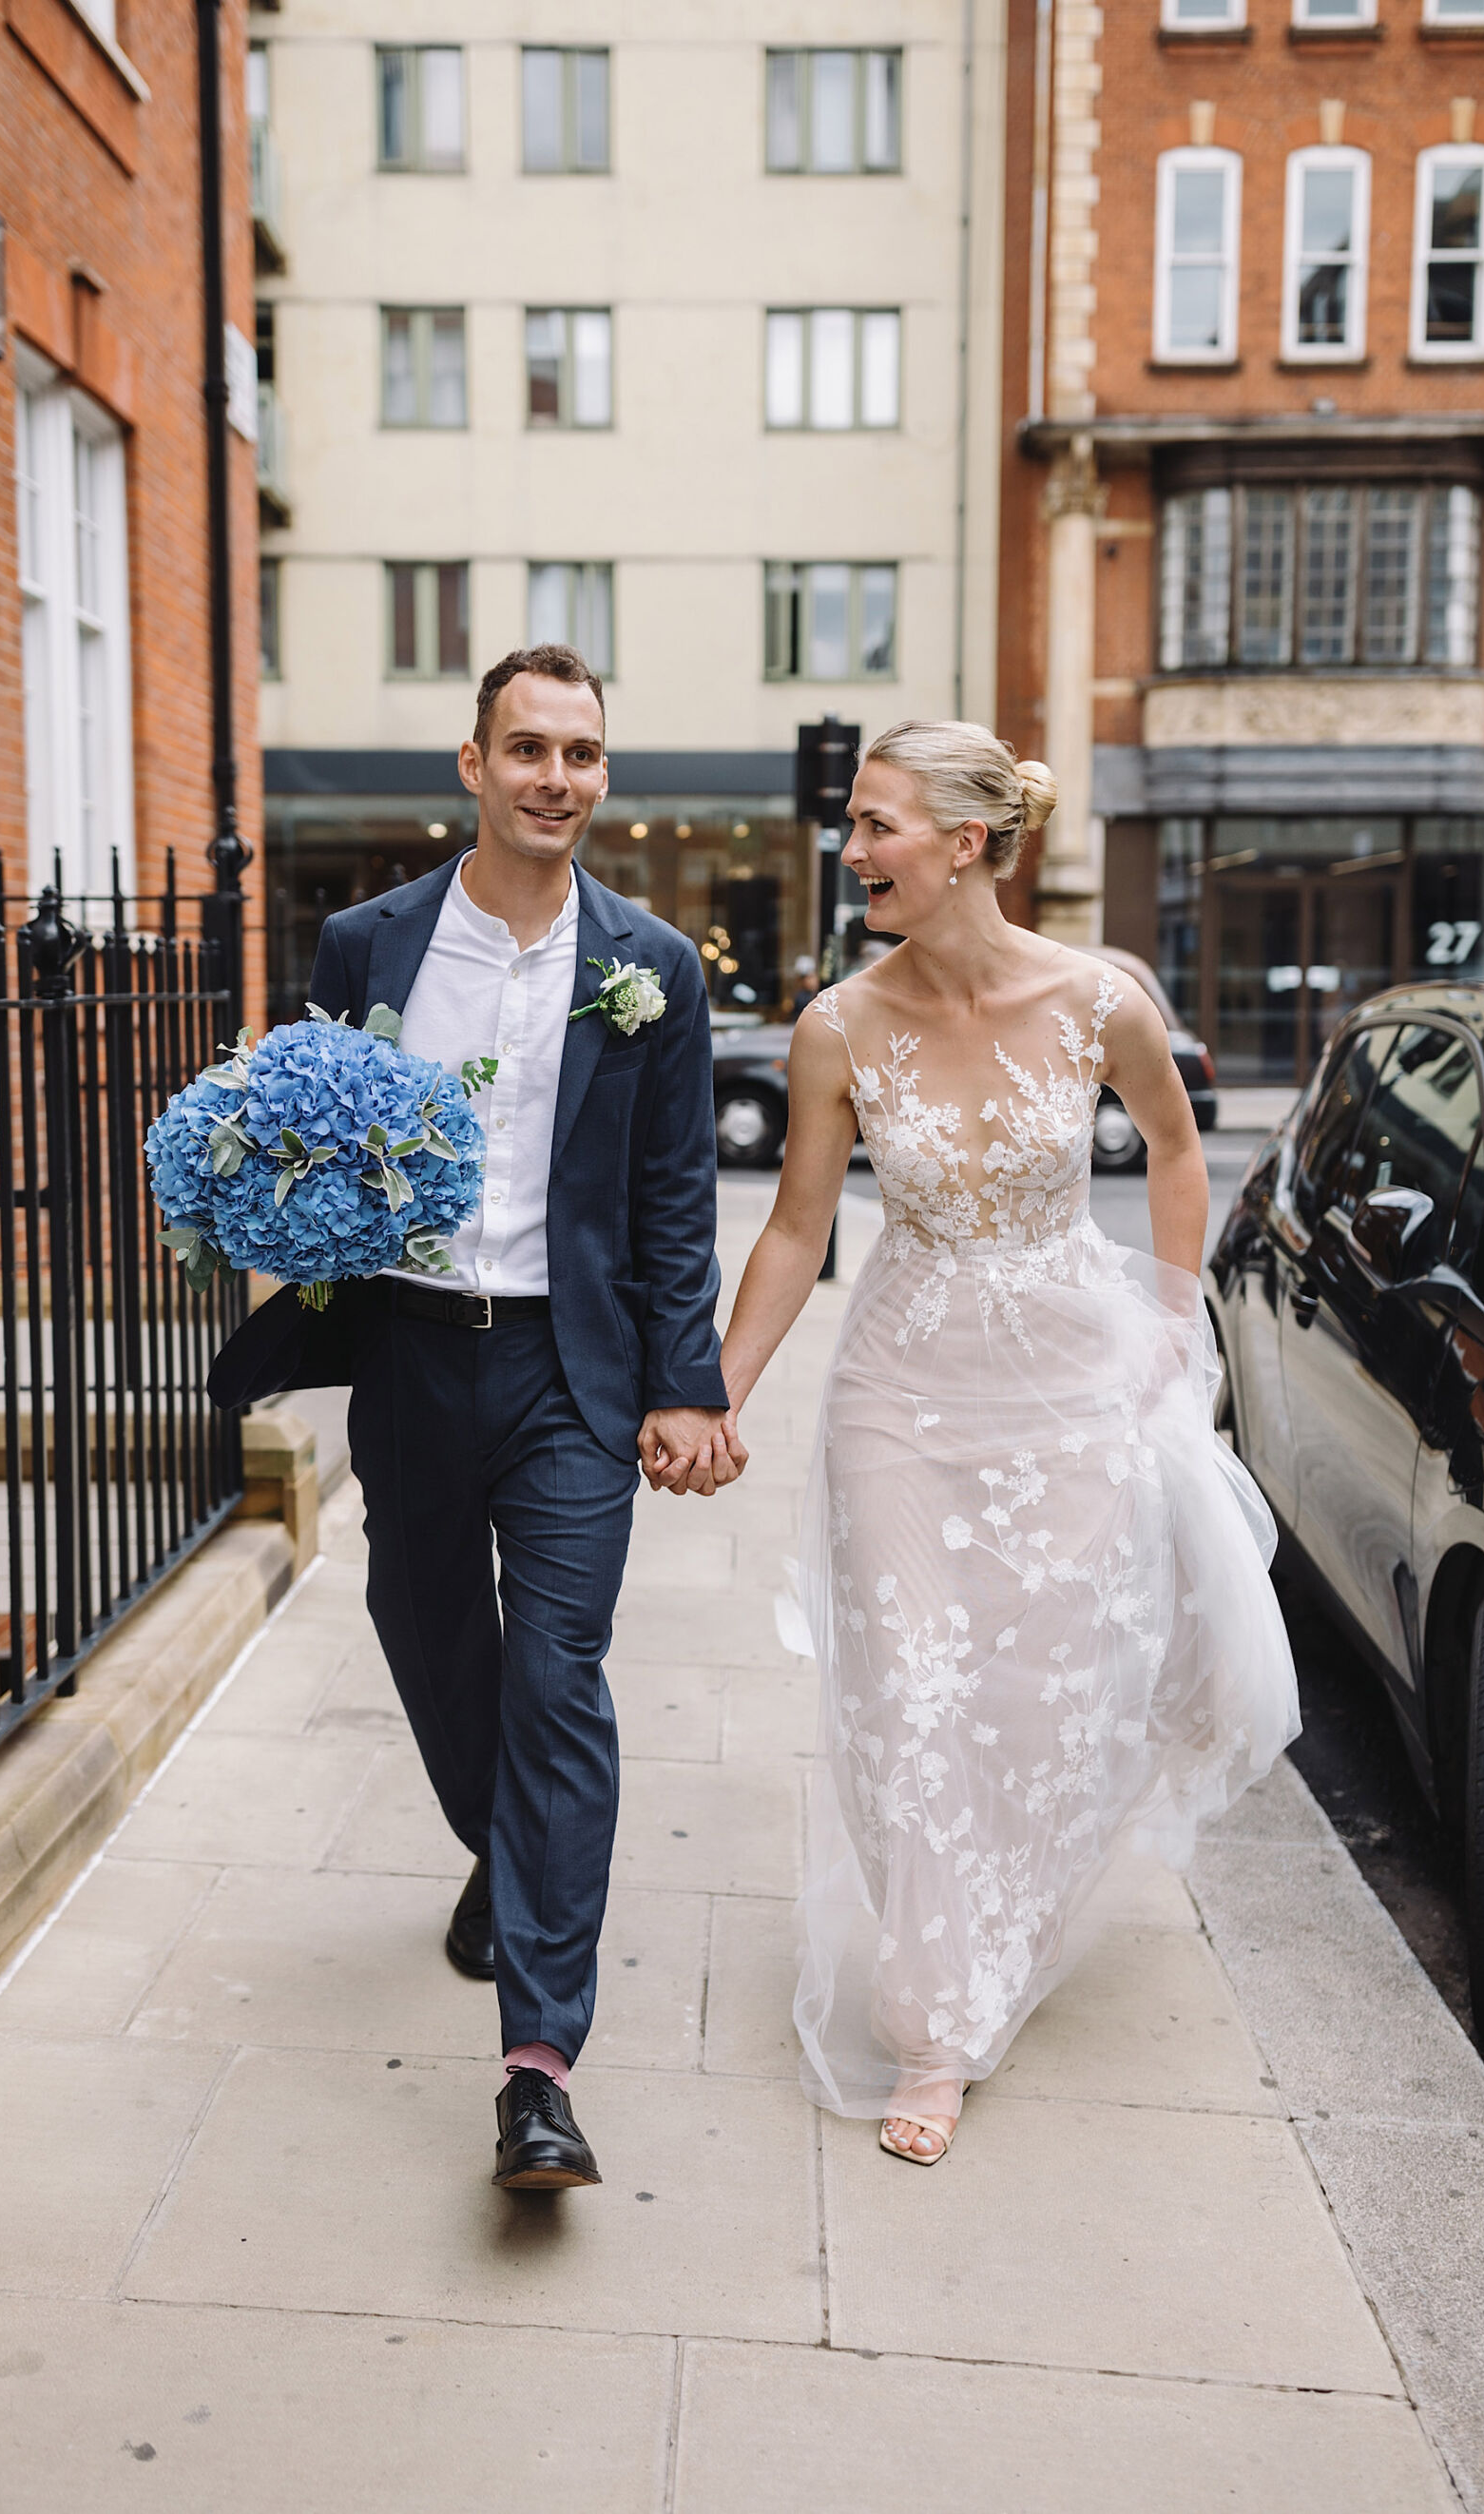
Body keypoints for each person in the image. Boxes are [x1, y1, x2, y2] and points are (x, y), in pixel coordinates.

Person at [700, 721, 1299, 2165]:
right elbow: (795, 1226)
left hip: (1069, 1393)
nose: (855, 855)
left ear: (965, 843)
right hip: (898, 1396)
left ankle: (1001, 1922)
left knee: (1045, 1699)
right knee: (910, 1692)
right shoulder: (837, 1026)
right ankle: (936, 2024)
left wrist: (1168, 1324)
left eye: (877, 826)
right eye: (854, 826)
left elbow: (1168, 1146)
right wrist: (721, 1389)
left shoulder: (1101, 1001)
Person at [306, 645, 739, 2191]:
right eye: (531, 749)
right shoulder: (368, 944)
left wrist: (688, 1382)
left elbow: (675, 1198)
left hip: (572, 1373)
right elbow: (316, 1144)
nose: (560, 777)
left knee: (560, 1681)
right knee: (430, 1639)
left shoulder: (654, 968)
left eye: (585, 753)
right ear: (472, 767)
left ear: (602, 776)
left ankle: (538, 2065)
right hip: (416, 1357)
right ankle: (511, 1853)